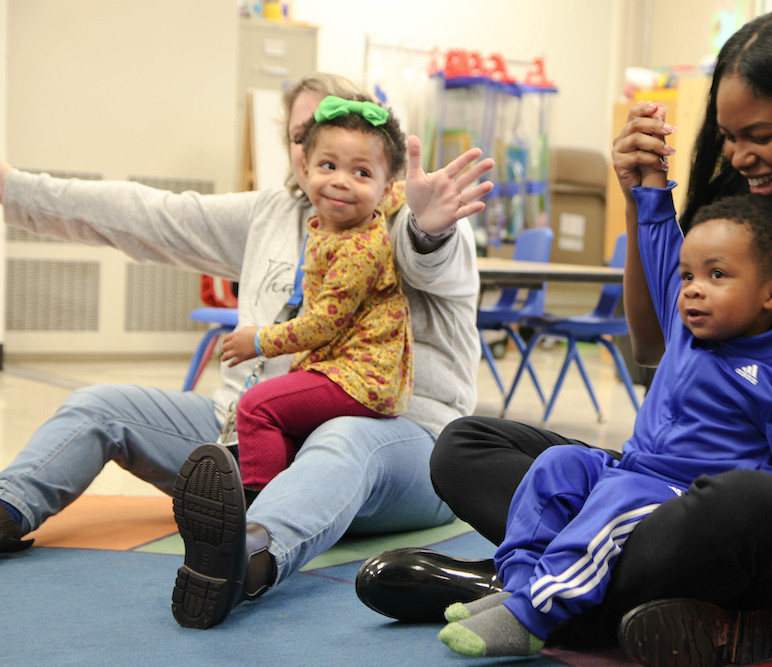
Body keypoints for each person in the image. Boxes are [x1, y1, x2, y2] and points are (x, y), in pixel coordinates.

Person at [358, 6, 772, 666]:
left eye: (761, 135)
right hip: (676, 491)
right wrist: (640, 204)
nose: (738, 156)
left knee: (738, 508)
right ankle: (638, 598)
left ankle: (520, 588)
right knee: (467, 443)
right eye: (727, 135)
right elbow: (656, 351)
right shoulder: (741, 217)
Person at [0, 72, 495, 632]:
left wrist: (429, 230)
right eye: (304, 137)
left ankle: (246, 555)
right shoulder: (274, 212)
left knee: (340, 437)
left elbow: (428, 253)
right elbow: (148, 213)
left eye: (355, 158)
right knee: (100, 405)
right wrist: (12, 187)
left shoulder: (413, 211)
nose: (334, 171)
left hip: (400, 440)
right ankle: (7, 507)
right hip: (261, 435)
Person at [437, 188, 772, 658]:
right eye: (689, 275)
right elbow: (658, 244)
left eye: (717, 275)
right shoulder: (687, 323)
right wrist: (649, 189)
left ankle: (535, 617)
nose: (693, 287)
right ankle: (520, 586)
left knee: (619, 497)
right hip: (631, 466)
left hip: (685, 497)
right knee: (559, 463)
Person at [220, 94, 413, 497]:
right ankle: (277, 497)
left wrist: (257, 340)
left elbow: (323, 323)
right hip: (347, 370)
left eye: (361, 173)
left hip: (360, 376)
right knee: (281, 422)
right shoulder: (344, 217)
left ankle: (257, 518)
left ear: (385, 187)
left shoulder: (359, 248)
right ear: (304, 168)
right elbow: (394, 192)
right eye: (329, 166)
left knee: (256, 407)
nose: (341, 181)